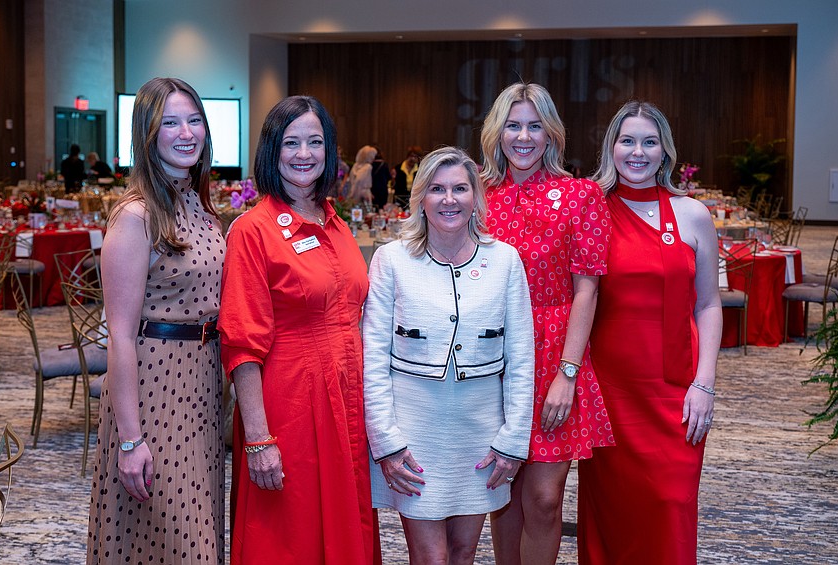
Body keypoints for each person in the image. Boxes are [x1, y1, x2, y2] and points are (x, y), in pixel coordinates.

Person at [218, 95, 376, 565]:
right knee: (291, 537)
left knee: (346, 531)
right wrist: (259, 439)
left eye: (315, 141)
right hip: (290, 407)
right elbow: (241, 344)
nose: (304, 153)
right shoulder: (253, 229)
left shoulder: (336, 223)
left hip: (345, 401)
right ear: (272, 151)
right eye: (291, 142)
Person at [362, 146, 535, 564]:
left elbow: (521, 359)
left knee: (462, 553)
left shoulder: (505, 261)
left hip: (480, 436)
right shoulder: (391, 260)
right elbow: (373, 359)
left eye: (460, 188)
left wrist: (513, 440)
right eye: (437, 189)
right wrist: (386, 442)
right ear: (421, 196)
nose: (449, 199)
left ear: (476, 197)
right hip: (414, 435)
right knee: (431, 557)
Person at [88, 77, 225, 563]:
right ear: (147, 134)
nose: (186, 132)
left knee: (192, 529)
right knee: (175, 540)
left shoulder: (198, 206)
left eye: (194, 120)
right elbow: (120, 336)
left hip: (202, 385)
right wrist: (130, 438)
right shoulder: (135, 216)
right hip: (153, 387)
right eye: (170, 122)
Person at [578, 101, 721, 564]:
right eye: (627, 140)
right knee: (613, 511)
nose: (637, 152)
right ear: (611, 148)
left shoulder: (693, 214)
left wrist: (705, 383)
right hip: (610, 393)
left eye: (649, 141)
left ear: (665, 150)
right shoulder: (591, 209)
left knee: (671, 505)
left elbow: (708, 303)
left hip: (676, 390)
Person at [480, 82, 614, 564]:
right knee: (503, 495)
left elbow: (587, 290)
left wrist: (568, 372)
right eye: (513, 126)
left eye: (534, 126)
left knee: (544, 499)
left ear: (551, 134)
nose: (523, 137)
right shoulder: (475, 195)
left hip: (555, 353)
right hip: (491, 357)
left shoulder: (580, 196)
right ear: (496, 133)